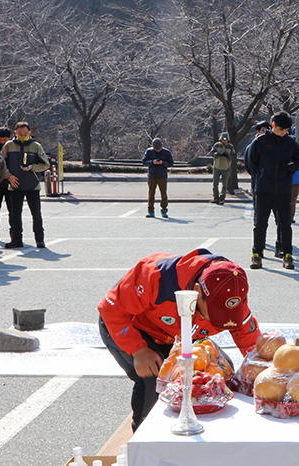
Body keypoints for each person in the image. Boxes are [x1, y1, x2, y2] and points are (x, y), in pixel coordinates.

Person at [98, 248, 262, 431]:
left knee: (212, 375)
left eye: (229, 315)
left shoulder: (231, 289)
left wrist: (263, 373)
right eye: (217, 314)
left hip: (177, 335)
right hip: (131, 328)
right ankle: (144, 434)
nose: (224, 322)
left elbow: (251, 344)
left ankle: (189, 430)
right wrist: (138, 350)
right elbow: (110, 308)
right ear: (198, 292)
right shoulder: (157, 276)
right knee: (154, 378)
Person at [248, 111, 299, 270]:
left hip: (284, 190)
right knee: (260, 224)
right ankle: (257, 254)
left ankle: (287, 254)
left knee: (285, 224)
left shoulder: (290, 143)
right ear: (273, 126)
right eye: (281, 130)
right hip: (264, 189)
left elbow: (298, 160)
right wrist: (262, 177)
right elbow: (252, 164)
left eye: (286, 130)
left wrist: (290, 169)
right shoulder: (260, 142)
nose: (284, 133)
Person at [2, 122, 49, 249]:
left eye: (25, 133)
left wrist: (32, 167)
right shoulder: (8, 146)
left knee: (36, 214)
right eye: (20, 133)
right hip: (15, 185)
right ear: (15, 133)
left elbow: (45, 164)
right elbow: (1, 164)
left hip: (32, 186)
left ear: (30, 132)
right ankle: (16, 239)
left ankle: (39, 239)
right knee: (15, 214)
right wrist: (9, 176)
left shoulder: (36, 146)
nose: (23, 136)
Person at [142, 138, 174, 217]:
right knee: (151, 193)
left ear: (162, 145)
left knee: (163, 193)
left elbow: (171, 163)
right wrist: (152, 162)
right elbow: (144, 161)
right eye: (156, 149)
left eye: (159, 149)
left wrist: (163, 163)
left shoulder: (166, 152)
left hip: (162, 176)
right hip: (152, 175)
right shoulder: (149, 151)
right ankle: (150, 211)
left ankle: (164, 209)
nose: (157, 150)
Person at [209, 133, 234, 205]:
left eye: (226, 140)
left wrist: (228, 156)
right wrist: (217, 154)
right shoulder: (217, 145)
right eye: (223, 140)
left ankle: (222, 198)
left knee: (225, 185)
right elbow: (211, 153)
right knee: (215, 184)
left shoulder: (230, 147)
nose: (224, 141)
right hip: (217, 167)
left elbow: (233, 156)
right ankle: (215, 198)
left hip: (226, 168)